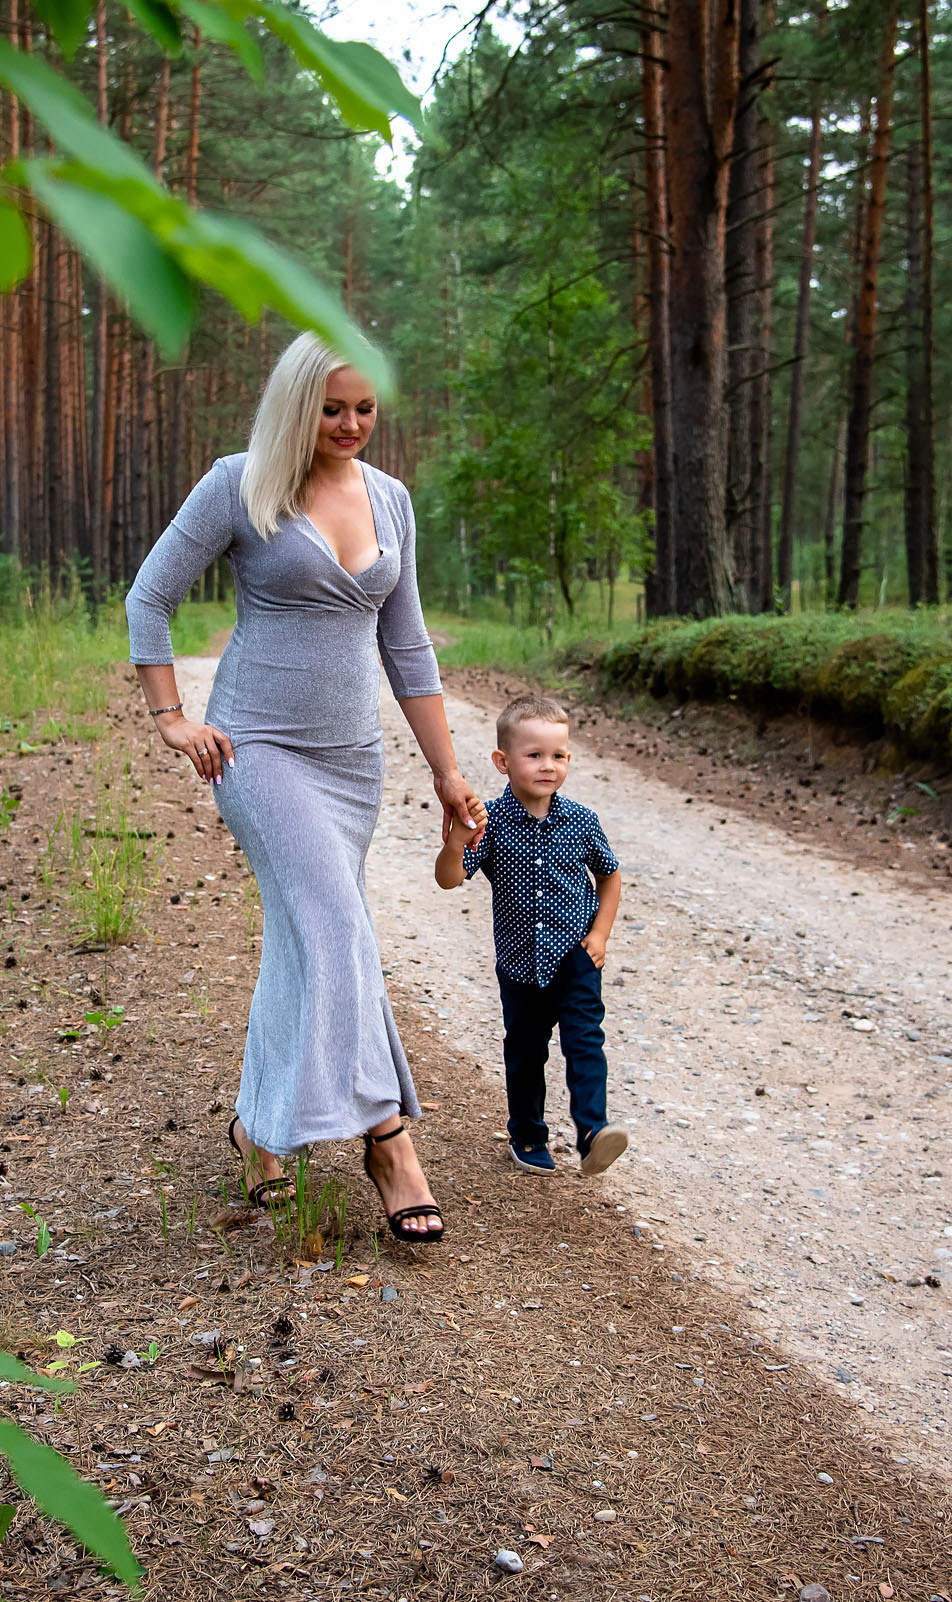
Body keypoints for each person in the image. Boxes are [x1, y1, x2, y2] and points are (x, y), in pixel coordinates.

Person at [125, 332, 485, 1244]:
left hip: (350, 762)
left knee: (304, 938)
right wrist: (173, 717)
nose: (353, 424)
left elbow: (407, 648)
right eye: (333, 409)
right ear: (296, 404)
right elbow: (149, 596)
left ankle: (259, 1127)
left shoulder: (392, 500)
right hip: (258, 750)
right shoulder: (241, 483)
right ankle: (389, 1140)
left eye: (366, 408)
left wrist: (447, 772)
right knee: (334, 926)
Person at [435, 693, 630, 1178]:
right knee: (525, 1050)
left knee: (585, 1039)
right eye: (535, 755)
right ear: (502, 762)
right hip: (520, 962)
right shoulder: (491, 822)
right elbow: (448, 877)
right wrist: (459, 836)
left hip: (576, 955)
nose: (549, 766)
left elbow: (609, 876)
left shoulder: (581, 820)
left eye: (559, 755)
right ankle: (527, 1134)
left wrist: (601, 934)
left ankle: (592, 1131)